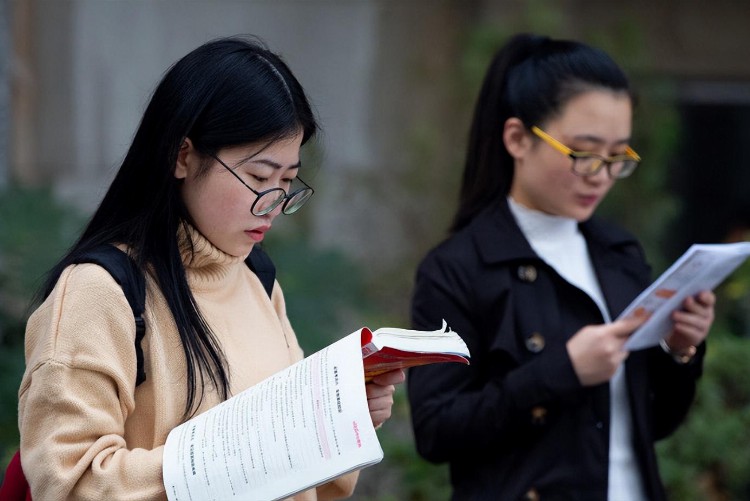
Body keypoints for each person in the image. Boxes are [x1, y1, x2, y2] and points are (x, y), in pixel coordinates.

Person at [17, 35, 404, 500]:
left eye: (287, 181)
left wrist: (342, 417)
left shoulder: (257, 278)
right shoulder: (98, 293)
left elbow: (301, 473)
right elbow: (70, 483)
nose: (274, 206)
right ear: (183, 156)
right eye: (259, 177)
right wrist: (239, 454)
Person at [406, 33, 715, 500]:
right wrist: (561, 371)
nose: (602, 175)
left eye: (618, 157)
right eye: (584, 153)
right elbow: (437, 431)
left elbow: (654, 423)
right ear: (517, 139)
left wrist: (679, 350)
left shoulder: (618, 254)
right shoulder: (458, 267)